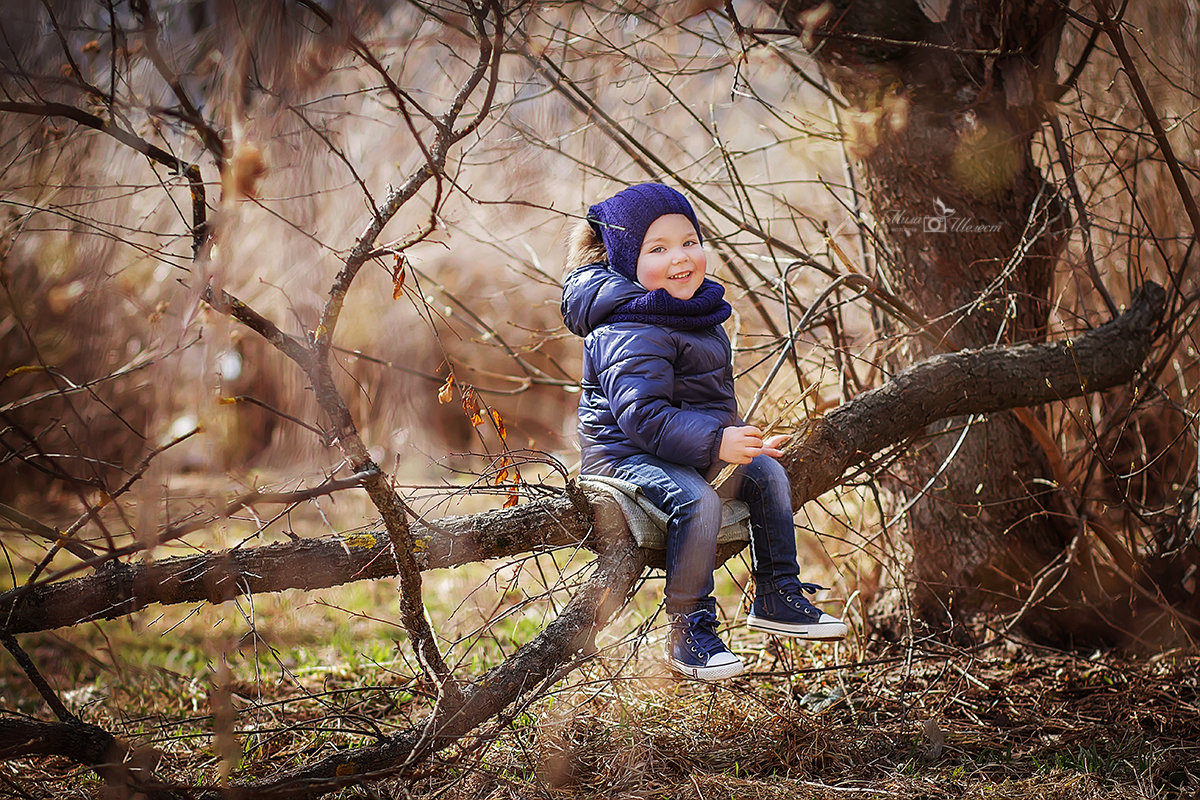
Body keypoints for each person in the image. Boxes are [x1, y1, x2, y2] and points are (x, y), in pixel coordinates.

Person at [561, 182, 847, 681]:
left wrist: (739, 440)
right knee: (698, 501)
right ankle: (689, 630)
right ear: (624, 260)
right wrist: (716, 444)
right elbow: (642, 415)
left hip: (677, 446)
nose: (680, 257)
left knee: (768, 476)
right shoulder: (626, 325)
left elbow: (707, 402)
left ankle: (779, 595)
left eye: (689, 241)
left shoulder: (695, 311)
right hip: (624, 453)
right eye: (658, 248)